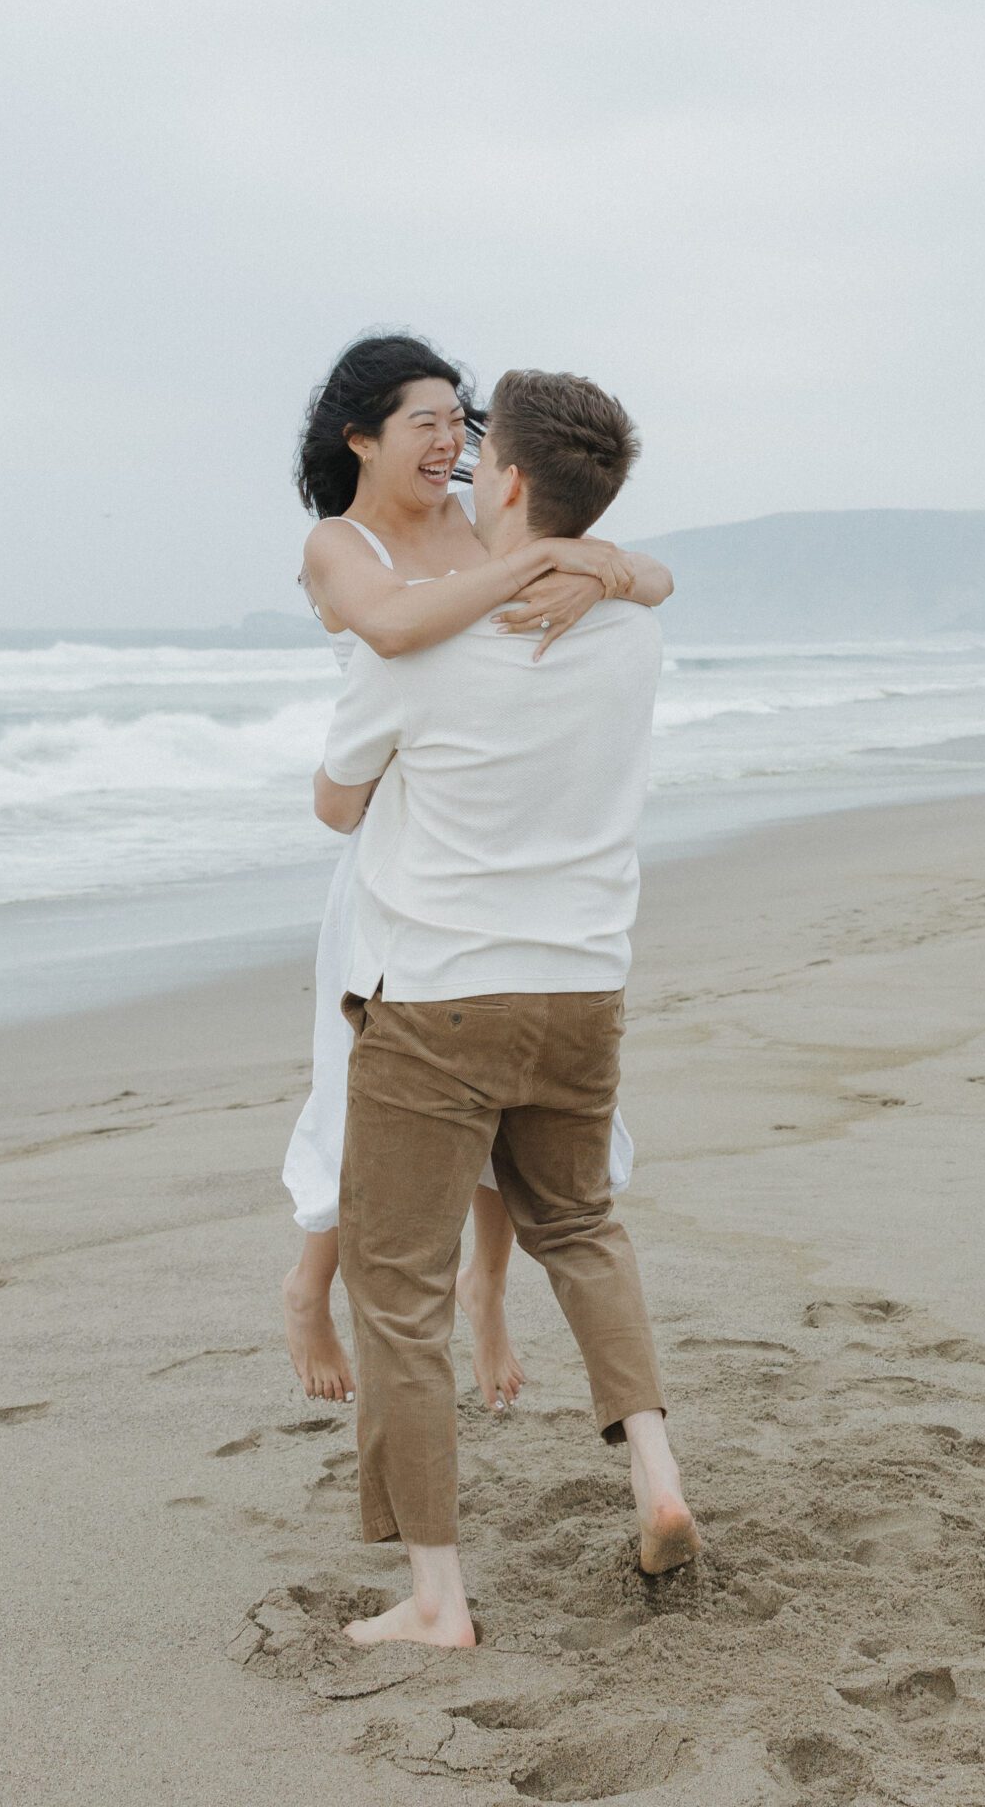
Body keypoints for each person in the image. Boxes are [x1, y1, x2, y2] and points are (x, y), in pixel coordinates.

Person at [314, 367, 695, 1649]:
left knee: (402, 1293)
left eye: (481, 459)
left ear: (515, 481)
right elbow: (646, 584)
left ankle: (436, 1596)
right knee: (581, 1224)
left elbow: (334, 800)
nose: (464, 471)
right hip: (583, 989)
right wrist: (618, 570)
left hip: (440, 1005)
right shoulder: (632, 631)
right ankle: (657, 1474)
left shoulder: (420, 636)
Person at [279, 334, 669, 1410]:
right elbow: (399, 628)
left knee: (507, 1101)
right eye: (425, 420)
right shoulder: (340, 544)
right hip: (399, 861)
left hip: (493, 834)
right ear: (361, 436)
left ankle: (486, 1284)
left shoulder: (478, 517)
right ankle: (309, 1286)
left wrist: (606, 569)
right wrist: (554, 566)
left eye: (461, 418)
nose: (451, 438)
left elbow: (659, 576)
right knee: (355, 1100)